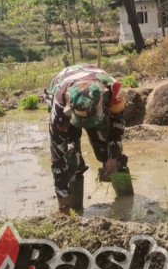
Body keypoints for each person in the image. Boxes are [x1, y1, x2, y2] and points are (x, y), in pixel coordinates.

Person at [44, 63, 132, 216]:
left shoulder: (113, 90)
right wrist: (63, 209)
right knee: (70, 157)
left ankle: (128, 203)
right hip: (62, 87)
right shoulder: (59, 107)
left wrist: (113, 157)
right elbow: (58, 160)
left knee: (111, 155)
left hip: (94, 85)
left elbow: (118, 123)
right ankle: (74, 209)